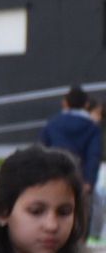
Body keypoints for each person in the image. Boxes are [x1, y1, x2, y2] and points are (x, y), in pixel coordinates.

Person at [40, 85, 102, 236]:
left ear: (65, 103)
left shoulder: (52, 124)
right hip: (80, 180)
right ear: (86, 104)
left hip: (54, 178)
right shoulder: (92, 128)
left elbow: (41, 151)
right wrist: (89, 181)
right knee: (81, 215)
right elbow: (93, 155)